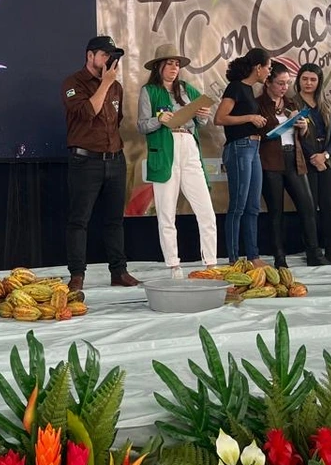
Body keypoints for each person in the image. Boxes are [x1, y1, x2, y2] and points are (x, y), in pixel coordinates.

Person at [62, 35, 138, 292]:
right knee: (79, 220)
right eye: (105, 55)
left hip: (114, 158)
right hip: (85, 160)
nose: (110, 60)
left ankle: (119, 271)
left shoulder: (116, 87)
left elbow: (117, 120)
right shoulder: (73, 83)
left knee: (115, 220)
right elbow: (87, 113)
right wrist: (105, 84)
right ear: (90, 55)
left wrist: (108, 83)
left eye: (112, 56)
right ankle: (77, 275)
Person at [137, 43, 217, 277]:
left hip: (188, 145)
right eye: (169, 63)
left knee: (206, 210)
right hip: (165, 148)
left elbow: (201, 121)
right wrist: (159, 120)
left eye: (177, 64)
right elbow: (141, 125)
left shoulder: (187, 89)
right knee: (166, 212)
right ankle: (173, 264)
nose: (174, 68)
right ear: (159, 66)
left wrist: (203, 115)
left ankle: (211, 263)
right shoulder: (149, 91)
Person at [258, 63, 327, 268]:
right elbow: (258, 133)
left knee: (308, 206)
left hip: (294, 158)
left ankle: (314, 253)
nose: (284, 88)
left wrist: (303, 127)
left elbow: (303, 136)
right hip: (271, 160)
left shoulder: (291, 103)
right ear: (268, 82)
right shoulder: (259, 104)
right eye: (280, 83)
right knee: (276, 211)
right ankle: (280, 257)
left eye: (287, 83)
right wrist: (277, 126)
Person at [214, 47, 271, 267]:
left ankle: (253, 256)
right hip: (240, 147)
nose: (269, 71)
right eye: (268, 67)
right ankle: (234, 259)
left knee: (253, 206)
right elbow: (220, 118)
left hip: (254, 148)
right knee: (238, 205)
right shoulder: (236, 87)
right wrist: (250, 117)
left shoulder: (249, 90)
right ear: (258, 68)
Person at [295, 63, 331, 261]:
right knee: (309, 207)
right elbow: (295, 135)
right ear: (298, 80)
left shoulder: (327, 105)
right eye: (305, 79)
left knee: (328, 205)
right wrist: (314, 157)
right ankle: (313, 251)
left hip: (328, 160)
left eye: (313, 79)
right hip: (306, 161)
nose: (308, 83)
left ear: (319, 82)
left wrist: (325, 155)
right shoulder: (292, 104)